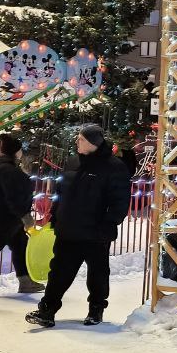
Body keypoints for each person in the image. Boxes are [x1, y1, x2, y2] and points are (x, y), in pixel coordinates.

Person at [25, 125, 131, 328]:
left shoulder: (114, 167)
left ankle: (96, 310)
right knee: (58, 272)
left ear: (93, 143)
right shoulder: (73, 162)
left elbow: (120, 201)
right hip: (68, 230)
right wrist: (55, 216)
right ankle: (47, 310)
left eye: (81, 139)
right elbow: (61, 192)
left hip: (96, 233)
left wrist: (108, 223)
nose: (77, 142)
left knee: (98, 274)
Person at [0, 134, 43, 293]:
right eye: (19, 150)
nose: (21, 153)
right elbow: (13, 195)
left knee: (20, 246)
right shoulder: (8, 169)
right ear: (15, 151)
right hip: (7, 216)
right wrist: (24, 215)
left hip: (7, 215)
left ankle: (25, 280)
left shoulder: (4, 167)